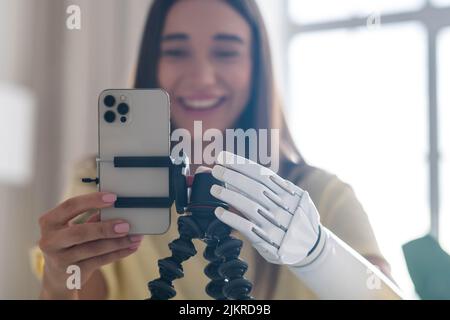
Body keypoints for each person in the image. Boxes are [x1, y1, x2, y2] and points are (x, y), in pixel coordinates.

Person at [36, 0, 401, 299]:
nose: (201, 77)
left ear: (256, 67)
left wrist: (319, 255)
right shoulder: (105, 190)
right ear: (153, 65)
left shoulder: (323, 198)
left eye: (226, 52)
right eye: (176, 51)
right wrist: (58, 278)